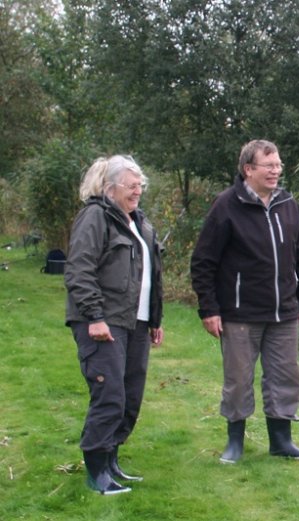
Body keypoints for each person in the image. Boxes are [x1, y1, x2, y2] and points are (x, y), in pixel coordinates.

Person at [190, 139, 299, 463]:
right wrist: (209, 308)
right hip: (239, 313)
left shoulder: (288, 204)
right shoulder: (226, 205)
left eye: (278, 165)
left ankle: (282, 441)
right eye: (269, 165)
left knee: (285, 376)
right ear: (248, 169)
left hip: (284, 312)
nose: (276, 171)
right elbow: (203, 261)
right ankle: (235, 442)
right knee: (238, 380)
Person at [65, 155, 164, 495]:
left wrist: (155, 319)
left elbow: (151, 275)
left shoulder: (139, 222)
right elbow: (79, 270)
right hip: (104, 322)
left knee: (129, 398)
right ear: (109, 188)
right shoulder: (95, 217)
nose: (138, 191)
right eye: (131, 186)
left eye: (140, 185)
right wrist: (94, 317)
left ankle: (111, 462)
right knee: (109, 395)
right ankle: (96, 472)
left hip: (136, 323)